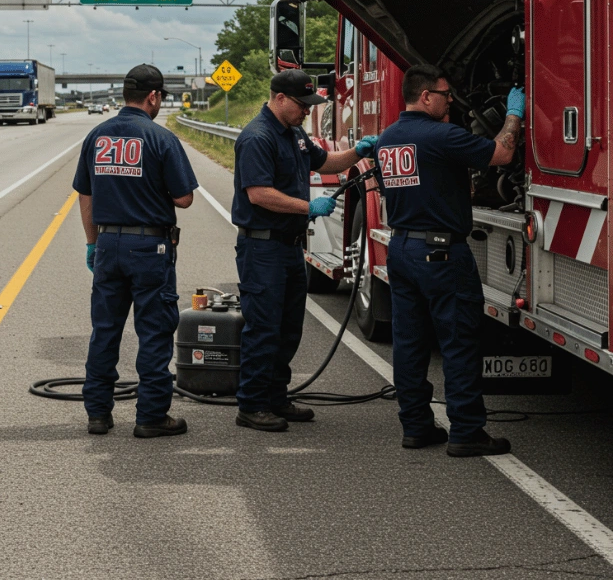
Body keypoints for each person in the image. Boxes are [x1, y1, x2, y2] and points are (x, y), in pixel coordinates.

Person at [375, 63, 524, 457]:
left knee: (409, 344)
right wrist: (514, 113)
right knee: (458, 342)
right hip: (441, 253)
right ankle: (467, 432)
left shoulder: (387, 139)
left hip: (402, 249)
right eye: (445, 94)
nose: (451, 101)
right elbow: (503, 153)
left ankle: (417, 427)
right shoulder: (442, 135)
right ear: (426, 96)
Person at [231, 69, 378, 432]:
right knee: (264, 328)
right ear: (280, 99)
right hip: (262, 247)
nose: (306, 112)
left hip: (289, 248)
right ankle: (251, 405)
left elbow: (323, 162)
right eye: (301, 105)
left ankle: (276, 397)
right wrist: (307, 207)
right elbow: (259, 193)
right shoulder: (257, 137)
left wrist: (356, 153)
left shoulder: (294, 133)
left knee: (288, 328)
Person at [73, 64, 198, 438]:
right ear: (154, 96)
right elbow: (184, 198)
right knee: (154, 332)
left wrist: (92, 243)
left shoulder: (97, 136)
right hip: (149, 246)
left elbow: (85, 194)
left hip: (108, 243)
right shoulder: (161, 138)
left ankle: (98, 414)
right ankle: (151, 416)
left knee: (105, 331)